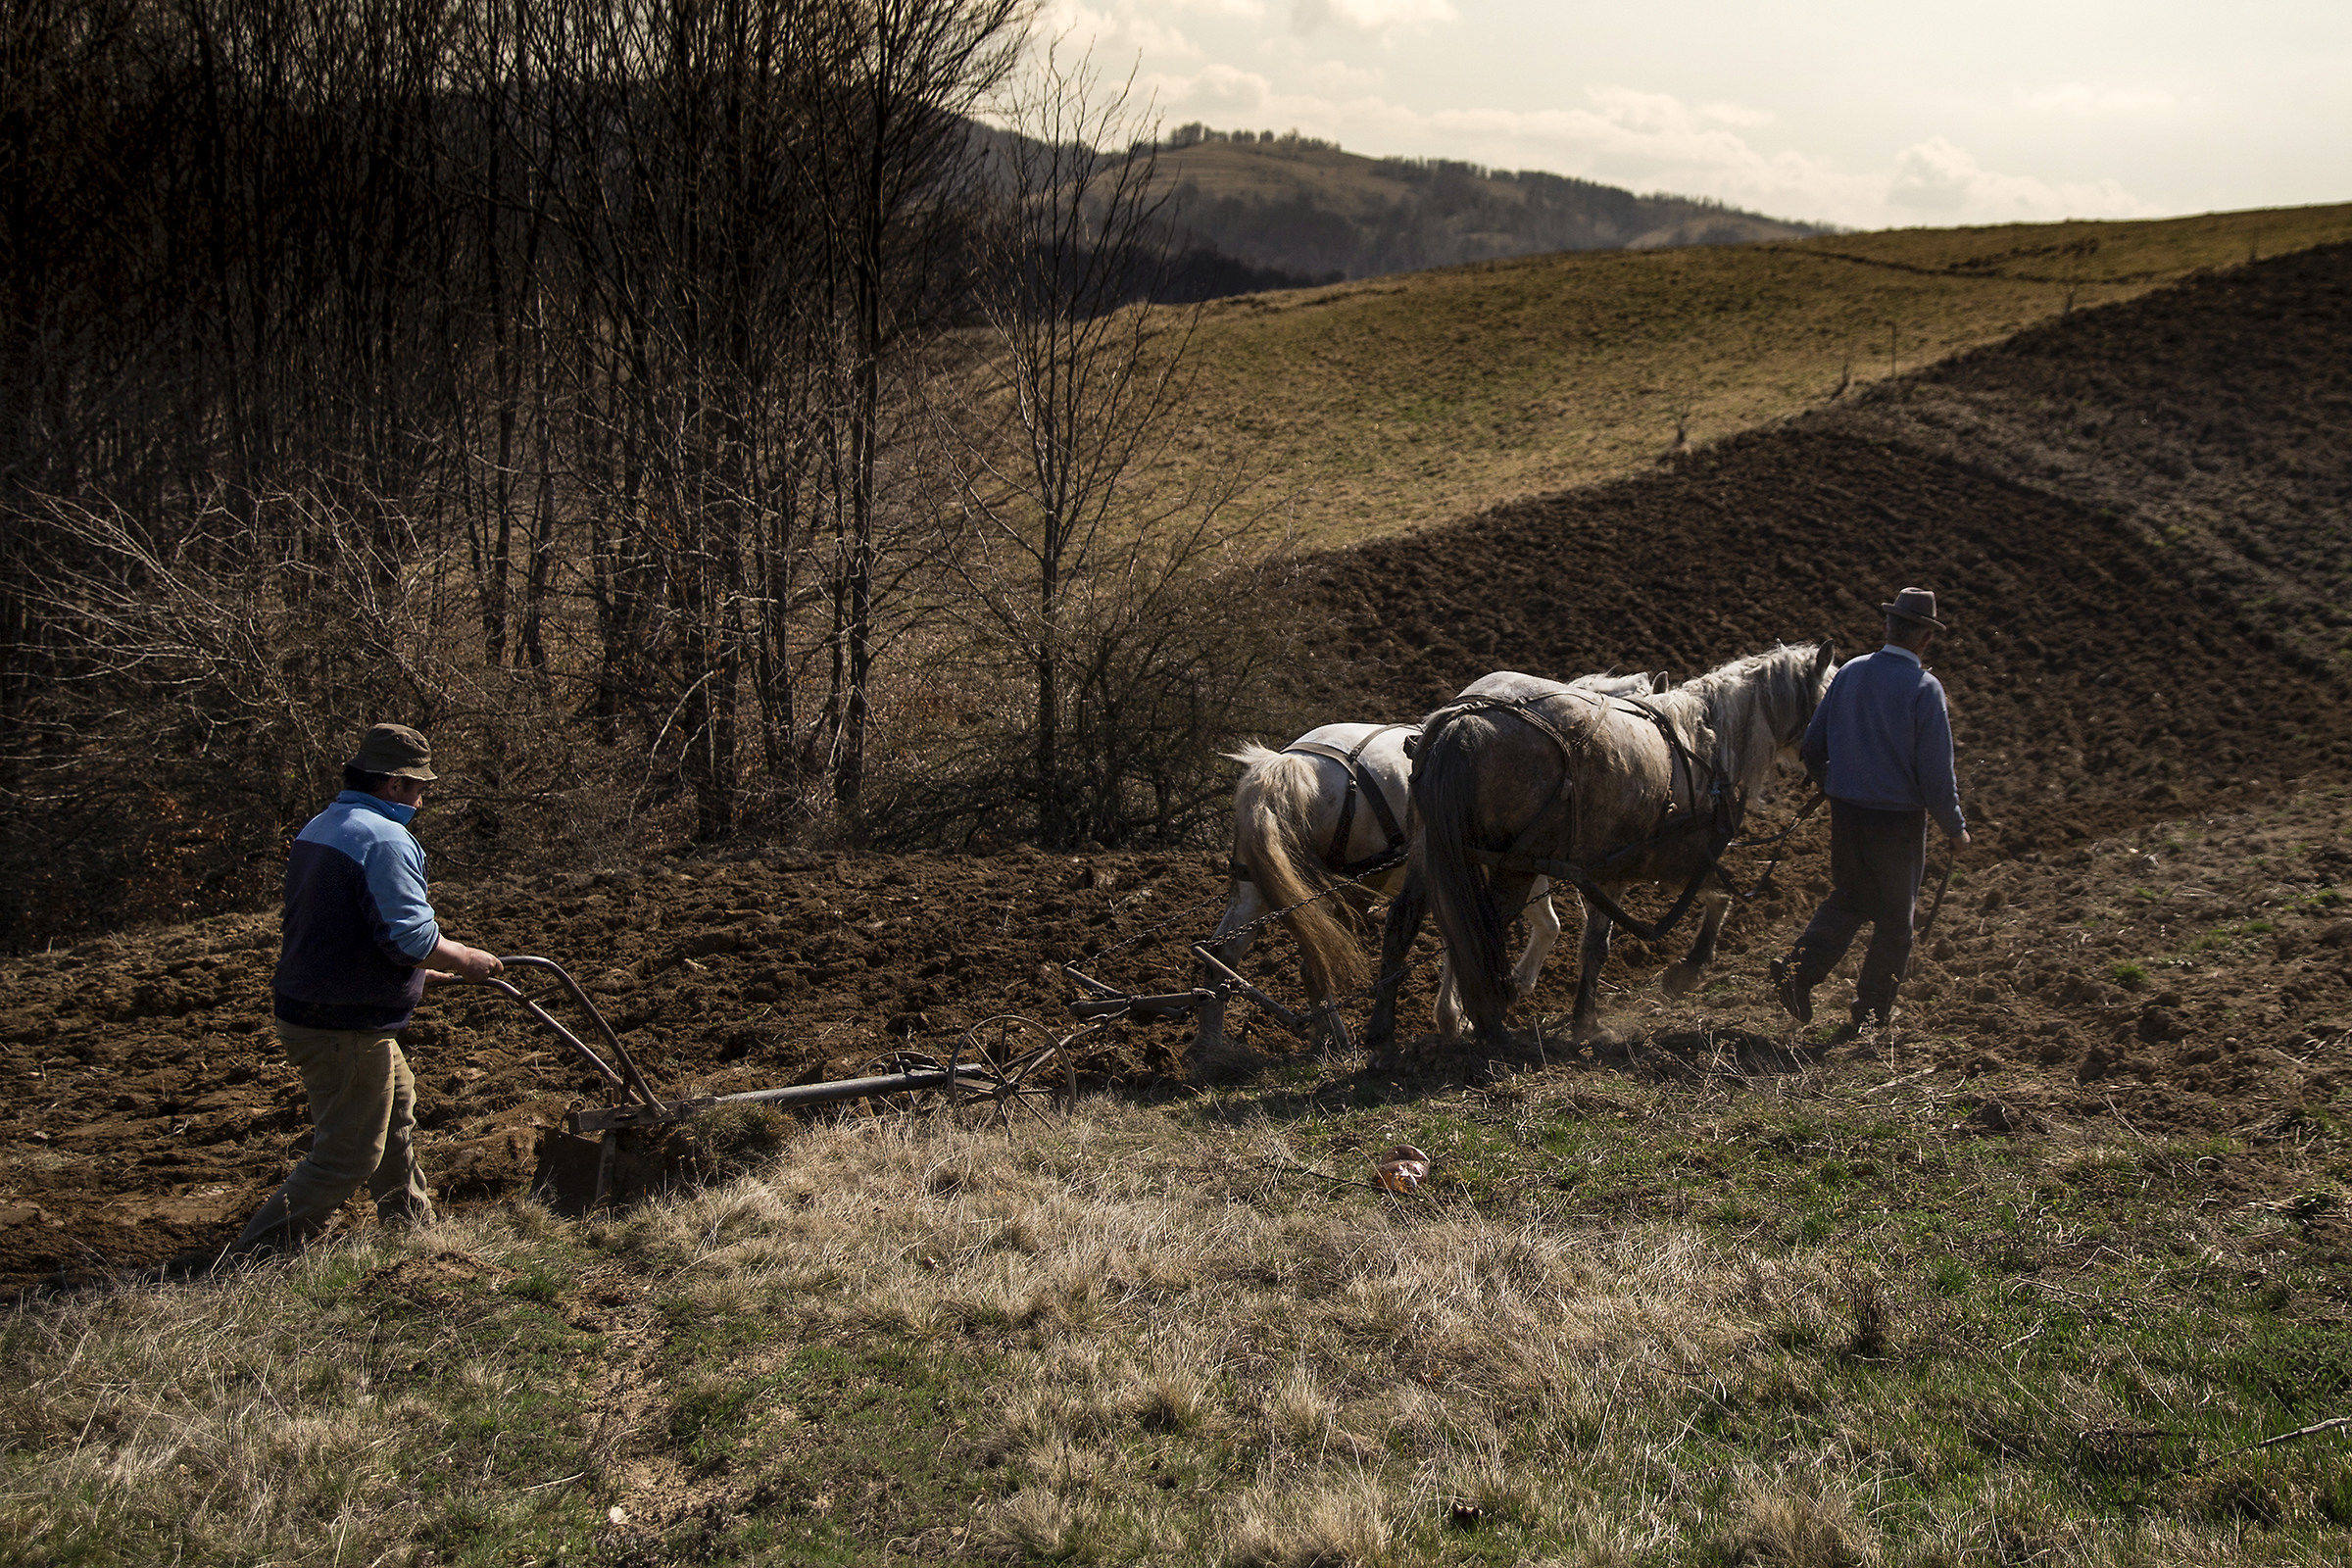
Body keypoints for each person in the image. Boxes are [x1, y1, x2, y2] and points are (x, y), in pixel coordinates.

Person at [227, 723, 503, 1257]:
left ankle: (413, 1233)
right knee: (350, 1153)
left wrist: (420, 973)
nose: (422, 799)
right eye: (419, 787)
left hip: (320, 1006)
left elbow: (344, 926)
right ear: (394, 783)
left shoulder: (325, 825)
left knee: (397, 1111)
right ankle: (253, 1258)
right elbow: (409, 934)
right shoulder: (384, 837)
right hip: (342, 1022)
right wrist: (466, 959)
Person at [1771, 588, 1969, 1033]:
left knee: (1851, 897)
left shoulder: (1852, 673)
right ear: (1925, 639)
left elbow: (1813, 744)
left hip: (1848, 813)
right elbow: (1936, 771)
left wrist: (1832, 784)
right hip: (1896, 822)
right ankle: (1872, 1014)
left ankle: (1797, 973)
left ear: (1889, 627)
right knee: (1898, 922)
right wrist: (1955, 829)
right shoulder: (1925, 688)